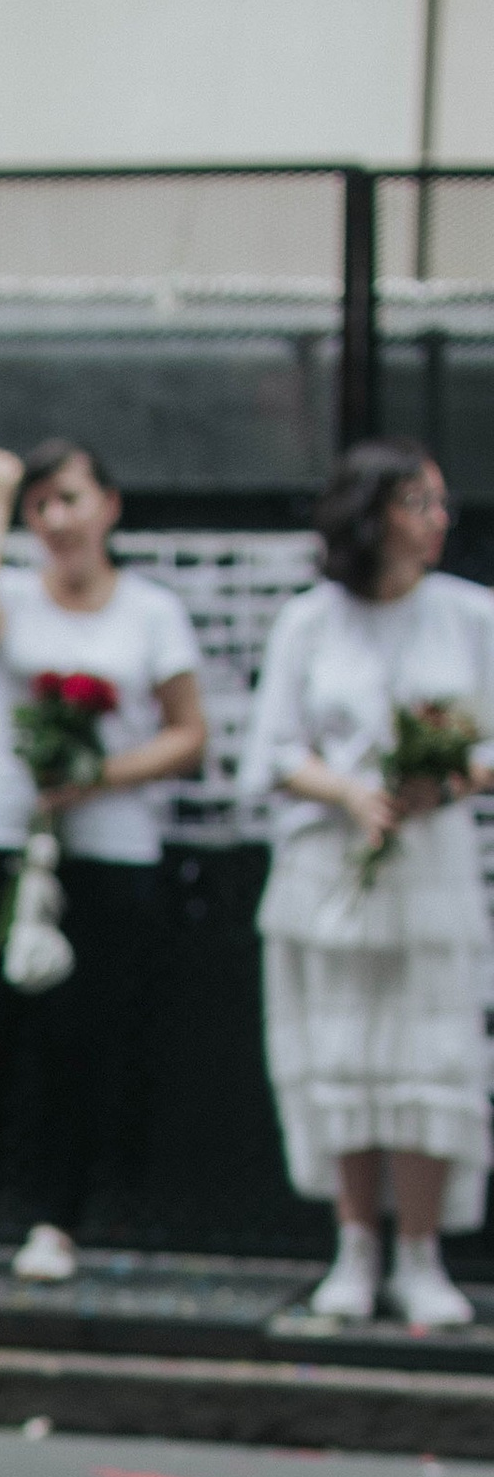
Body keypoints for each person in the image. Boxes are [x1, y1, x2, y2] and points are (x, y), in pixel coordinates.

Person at [0, 439, 207, 1287]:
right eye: (42, 506)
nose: (58, 519)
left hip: (107, 848)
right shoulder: (5, 591)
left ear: (110, 504)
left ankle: (55, 1222)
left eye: (70, 499)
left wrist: (97, 777)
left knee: (81, 1038)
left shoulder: (150, 611)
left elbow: (189, 734)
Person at [244, 440, 494, 1332]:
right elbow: (271, 750)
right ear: (376, 512)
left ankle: (422, 1254)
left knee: (430, 1057)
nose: (440, 519)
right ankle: (354, 1247)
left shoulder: (471, 616)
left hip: (430, 870)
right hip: (331, 867)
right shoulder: (310, 622)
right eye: (421, 501)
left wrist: (448, 783)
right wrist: (351, 793)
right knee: (342, 1053)